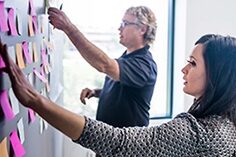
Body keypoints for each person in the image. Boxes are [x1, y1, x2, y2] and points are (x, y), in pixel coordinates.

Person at [1, 34, 236, 156]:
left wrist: (37, 101)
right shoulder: (224, 123)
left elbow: (117, 141)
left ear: (217, 75)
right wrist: (97, 92)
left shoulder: (198, 134)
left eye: (192, 63)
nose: (184, 69)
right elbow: (119, 85)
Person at [47, 6, 158, 128]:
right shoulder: (127, 57)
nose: (119, 28)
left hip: (128, 144)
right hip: (113, 139)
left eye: (125, 23)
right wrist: (97, 92)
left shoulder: (144, 65)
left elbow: (104, 65)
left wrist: (69, 28)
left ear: (142, 29)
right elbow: (126, 90)